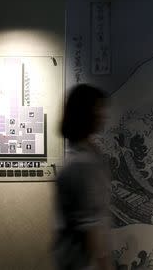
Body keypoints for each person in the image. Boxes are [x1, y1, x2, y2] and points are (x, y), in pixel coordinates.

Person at [54, 84, 114, 270]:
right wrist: (104, 265)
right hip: (83, 263)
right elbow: (90, 224)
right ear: (85, 114)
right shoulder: (82, 162)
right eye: (98, 108)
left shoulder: (86, 154)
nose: (104, 114)